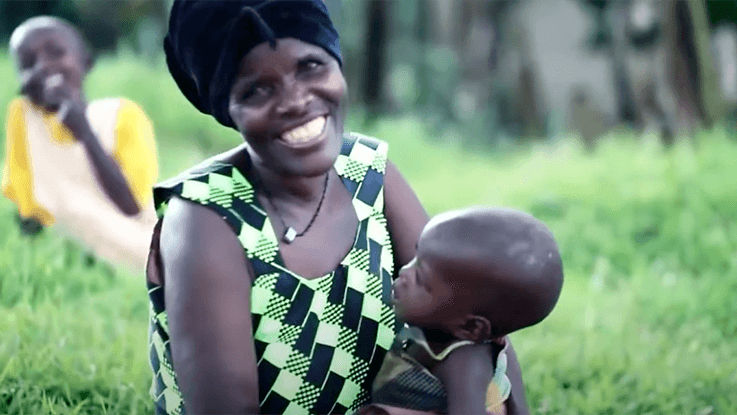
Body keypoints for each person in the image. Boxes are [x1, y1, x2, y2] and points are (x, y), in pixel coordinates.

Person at [147, 1, 529, 414]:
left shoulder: (368, 170)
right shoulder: (206, 217)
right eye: (257, 90)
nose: (295, 101)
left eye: (311, 66)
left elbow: (469, 316)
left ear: (337, 63)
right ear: (226, 108)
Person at [359, 207, 564, 415]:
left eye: (421, 280)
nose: (404, 272)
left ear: (470, 327)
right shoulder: (443, 329)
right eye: (415, 257)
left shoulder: (465, 361)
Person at [2, 16, 159, 272]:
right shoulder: (23, 116)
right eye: (28, 63)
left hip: (128, 250)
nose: (43, 67)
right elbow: (27, 210)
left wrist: (83, 130)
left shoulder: (122, 115)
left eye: (56, 53)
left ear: (86, 62)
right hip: (60, 257)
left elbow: (133, 208)